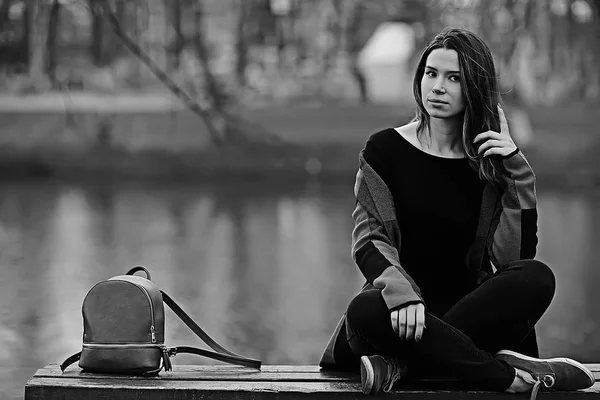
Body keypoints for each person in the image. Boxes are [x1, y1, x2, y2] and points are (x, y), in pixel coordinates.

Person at [319, 27, 595, 398]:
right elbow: (369, 238)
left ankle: (401, 367)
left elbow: (513, 259)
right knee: (364, 310)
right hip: (395, 314)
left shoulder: (489, 164)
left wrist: (517, 171)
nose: (437, 87)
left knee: (537, 276)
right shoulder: (384, 150)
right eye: (430, 74)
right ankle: (506, 376)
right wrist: (402, 294)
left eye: (454, 78)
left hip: (469, 316)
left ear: (474, 89)